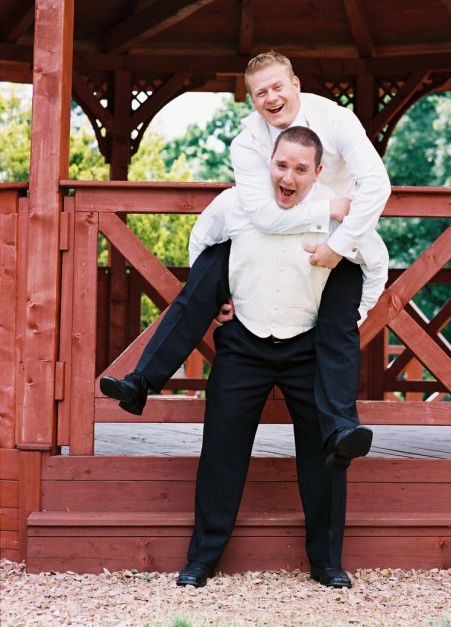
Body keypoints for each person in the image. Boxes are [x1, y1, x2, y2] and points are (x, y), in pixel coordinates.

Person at [100, 50, 391, 469]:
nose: (271, 98)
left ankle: (342, 432)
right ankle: (141, 381)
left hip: (336, 243)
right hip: (277, 233)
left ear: (295, 84)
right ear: (251, 99)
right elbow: (264, 215)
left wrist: (340, 245)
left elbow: (376, 185)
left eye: (278, 87)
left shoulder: (337, 120)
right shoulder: (247, 142)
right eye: (260, 93)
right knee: (208, 269)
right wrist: (327, 209)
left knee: (338, 324)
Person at [176, 127, 388, 590]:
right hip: (244, 341)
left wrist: (352, 317)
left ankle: (327, 563)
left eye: (300, 169)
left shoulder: (338, 215)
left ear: (317, 172)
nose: (287, 177)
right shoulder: (236, 203)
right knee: (221, 449)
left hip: (307, 345)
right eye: (281, 165)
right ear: (269, 162)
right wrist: (216, 298)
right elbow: (201, 242)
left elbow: (376, 263)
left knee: (326, 450)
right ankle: (202, 559)